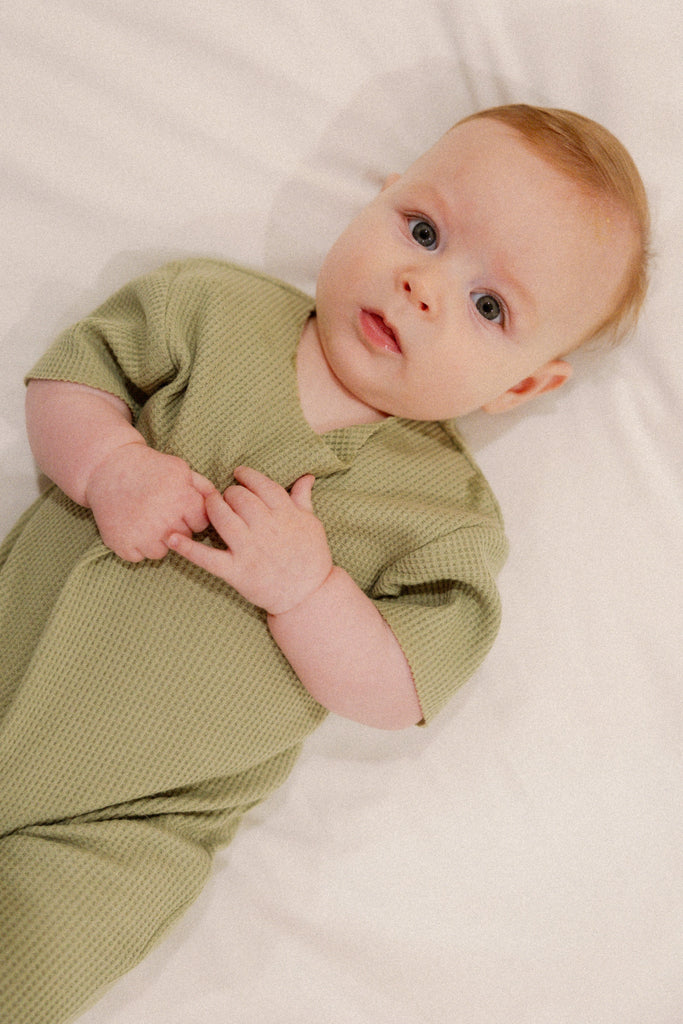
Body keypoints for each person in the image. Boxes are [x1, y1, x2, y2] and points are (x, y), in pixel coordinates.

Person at [0, 105, 649, 1024]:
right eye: (422, 231)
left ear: (522, 385)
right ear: (377, 199)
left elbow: (397, 690)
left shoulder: (444, 516)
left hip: (128, 822)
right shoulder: (211, 309)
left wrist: (310, 591)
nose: (423, 287)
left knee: (30, 964)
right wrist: (110, 464)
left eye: (489, 307)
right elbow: (72, 374)